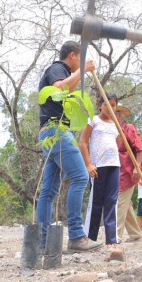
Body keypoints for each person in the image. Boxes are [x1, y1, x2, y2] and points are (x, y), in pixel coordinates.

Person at [37, 41, 102, 253]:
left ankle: (43, 241)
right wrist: (84, 70)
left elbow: (67, 89)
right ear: (73, 55)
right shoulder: (57, 68)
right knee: (81, 177)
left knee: (48, 191)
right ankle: (76, 236)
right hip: (55, 132)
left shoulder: (66, 74)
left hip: (50, 133)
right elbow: (59, 89)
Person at [79, 92, 121, 245]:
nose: (110, 108)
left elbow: (116, 143)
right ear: (100, 105)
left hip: (114, 165)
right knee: (96, 201)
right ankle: (90, 238)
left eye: (113, 105)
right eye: (106, 104)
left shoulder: (116, 124)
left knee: (111, 201)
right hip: (98, 166)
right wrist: (89, 164)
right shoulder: (94, 120)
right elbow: (83, 142)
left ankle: (112, 239)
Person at [115, 103, 142, 242]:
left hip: (128, 172)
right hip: (114, 171)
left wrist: (137, 167)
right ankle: (135, 233)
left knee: (120, 202)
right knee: (125, 204)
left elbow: (139, 149)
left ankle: (116, 235)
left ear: (121, 115)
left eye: (118, 113)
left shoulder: (129, 128)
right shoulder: (110, 130)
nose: (116, 115)